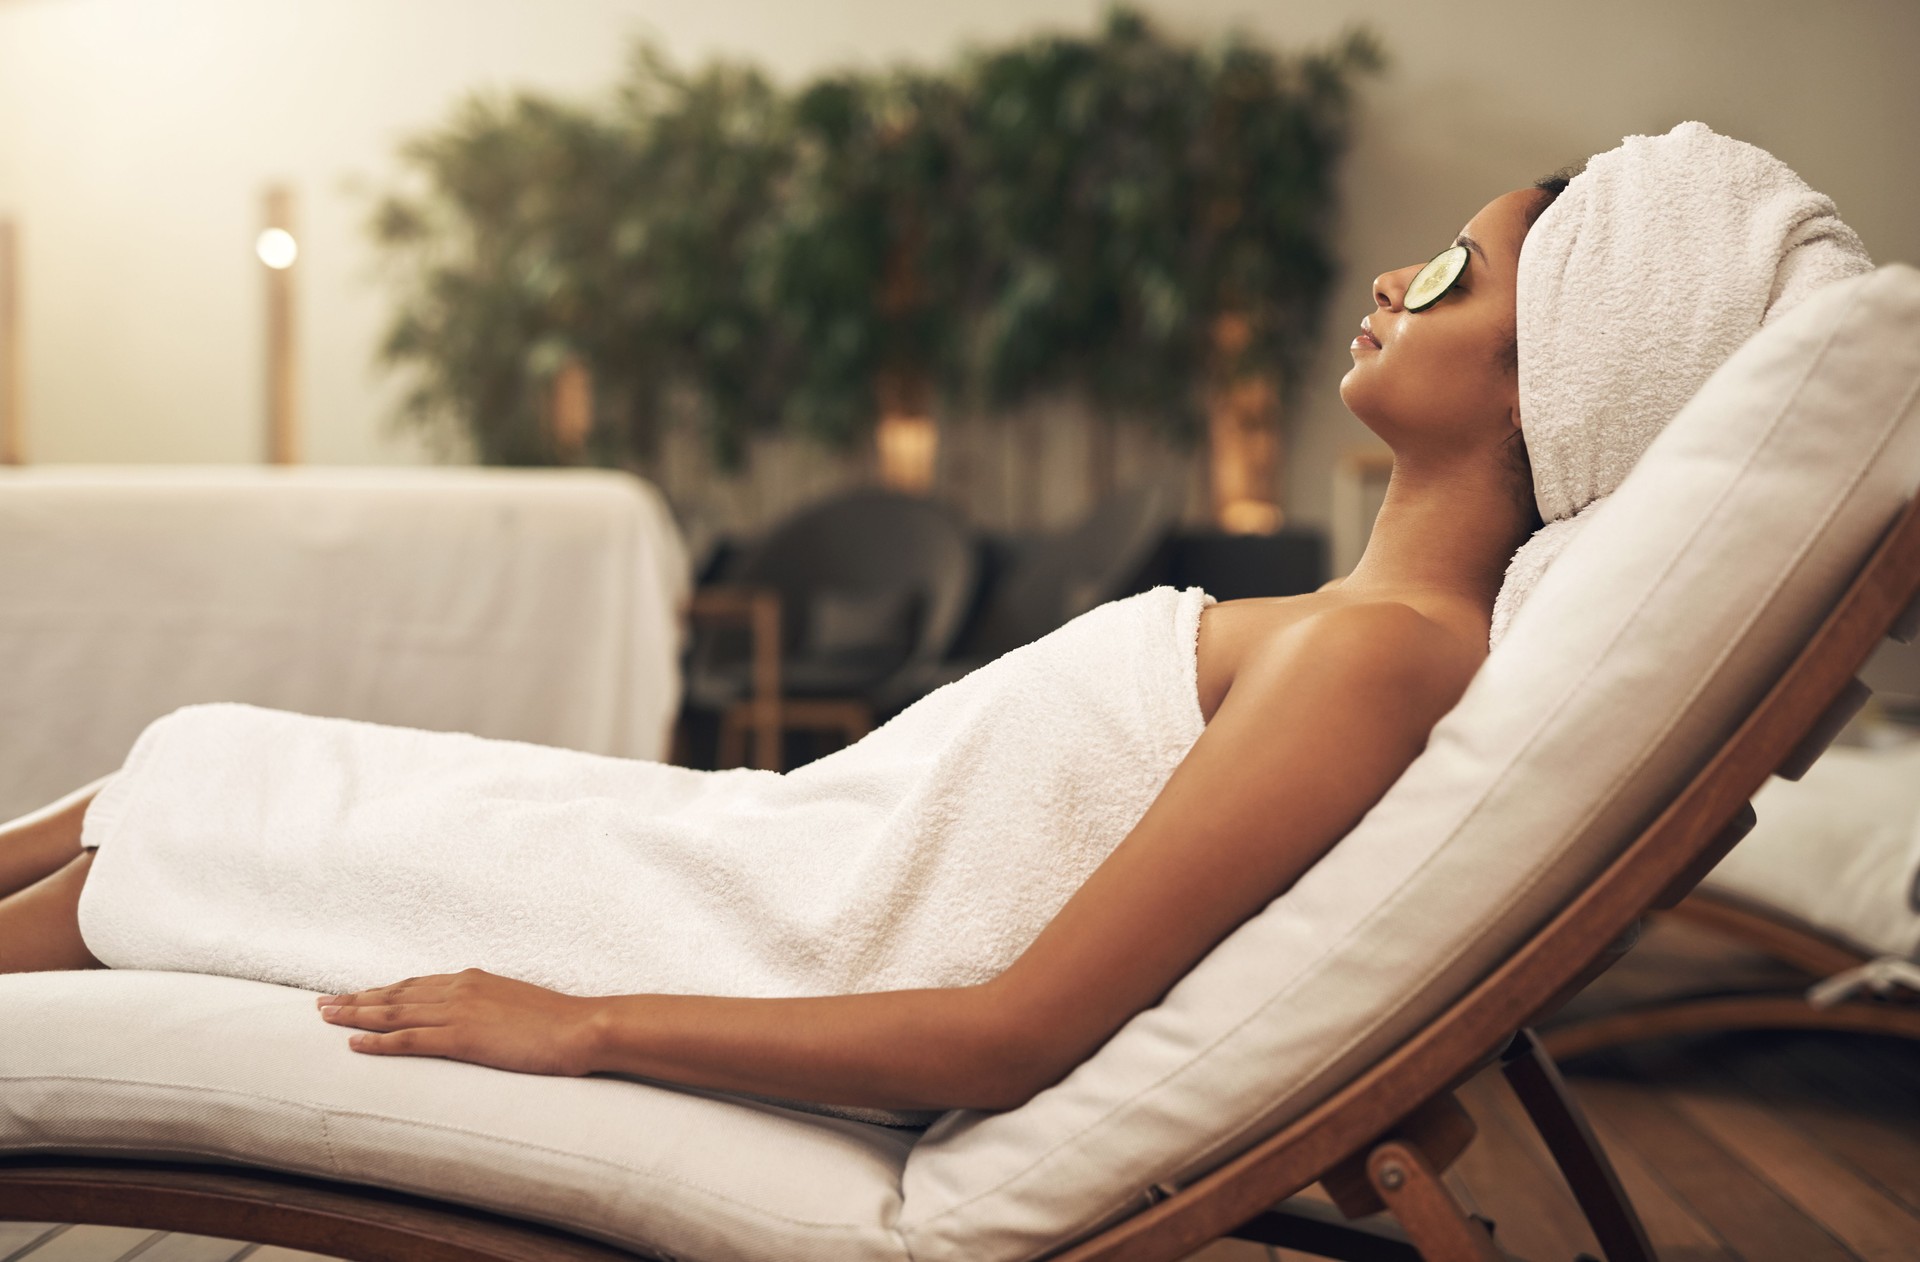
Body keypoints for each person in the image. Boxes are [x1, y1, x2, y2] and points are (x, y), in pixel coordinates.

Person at [0, 124, 1869, 1122]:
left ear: (1565, 373)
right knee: (199, 769)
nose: (1395, 274)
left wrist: (578, 1025)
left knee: (164, 844)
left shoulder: (1388, 652)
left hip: (745, 927)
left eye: (1454, 268)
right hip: (736, 855)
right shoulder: (1366, 625)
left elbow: (1003, 1035)